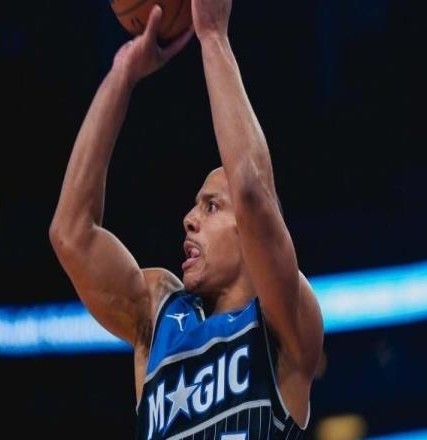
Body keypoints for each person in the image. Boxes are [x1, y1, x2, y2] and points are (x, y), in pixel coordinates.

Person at [49, 0, 324, 438]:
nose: (189, 219)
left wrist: (213, 37)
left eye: (211, 206)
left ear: (247, 231)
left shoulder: (285, 322)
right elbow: (70, 233)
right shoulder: (158, 313)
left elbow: (252, 193)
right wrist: (122, 74)